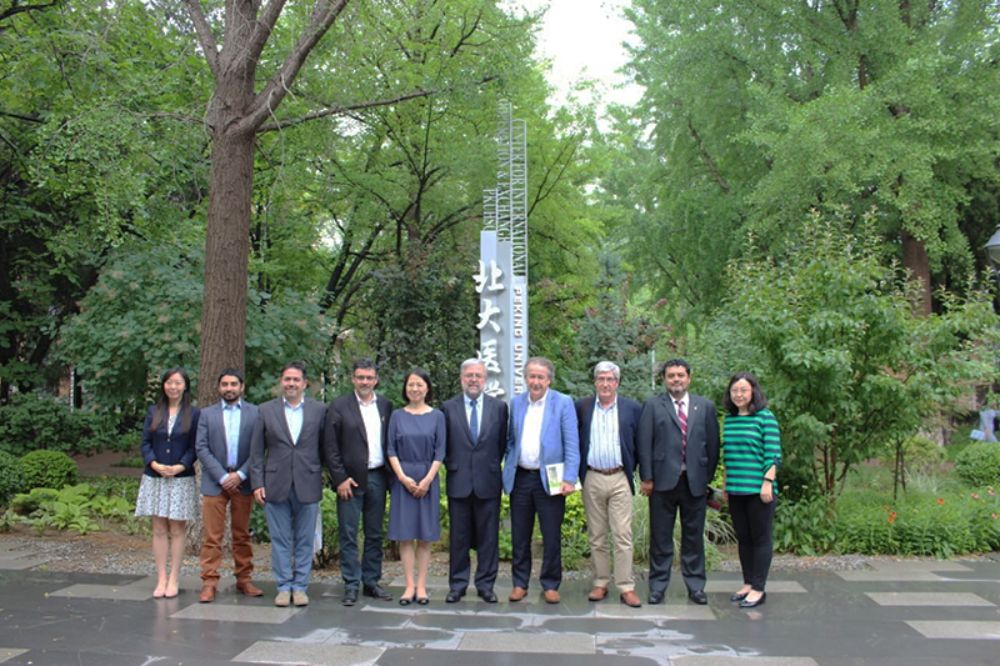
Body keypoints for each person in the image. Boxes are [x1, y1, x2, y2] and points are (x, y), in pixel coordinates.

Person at [637, 358, 719, 605]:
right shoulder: (653, 405)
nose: (676, 379)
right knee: (660, 538)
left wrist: (706, 478)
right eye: (671, 375)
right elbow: (644, 443)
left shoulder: (704, 407)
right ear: (665, 379)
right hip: (662, 483)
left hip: (694, 483)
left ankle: (695, 587)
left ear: (689, 378)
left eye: (680, 375)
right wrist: (647, 477)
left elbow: (713, 446)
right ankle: (658, 586)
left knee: (693, 538)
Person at [249, 361, 330, 607]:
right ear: (281, 383)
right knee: (281, 539)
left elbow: (326, 448)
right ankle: (284, 587)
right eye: (287, 379)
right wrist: (257, 483)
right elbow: (256, 452)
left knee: (305, 539)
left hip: (308, 482)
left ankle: (300, 587)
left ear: (305, 383)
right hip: (275, 483)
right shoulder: (265, 410)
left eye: (296, 380)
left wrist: (326, 477)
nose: (291, 384)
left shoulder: (320, 410)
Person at [503, 357, 580, 604]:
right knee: (520, 534)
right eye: (532, 376)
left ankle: (550, 583)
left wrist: (569, 478)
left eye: (540, 377)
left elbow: (572, 443)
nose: (535, 381)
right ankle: (519, 583)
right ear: (526, 378)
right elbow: (511, 440)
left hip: (551, 479)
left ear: (549, 380)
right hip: (522, 477)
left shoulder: (563, 403)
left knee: (551, 534)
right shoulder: (516, 403)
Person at [323, 358, 394, 606]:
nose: (365, 382)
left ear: (376, 380)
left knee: (374, 534)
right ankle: (351, 584)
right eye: (360, 377)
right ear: (353, 379)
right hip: (350, 481)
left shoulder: (385, 405)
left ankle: (371, 582)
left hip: (377, 476)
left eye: (369, 377)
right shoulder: (339, 406)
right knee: (349, 534)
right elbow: (330, 447)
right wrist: (339, 478)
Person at [440, 359, 509, 603]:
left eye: (478, 375)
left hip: (488, 481)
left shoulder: (499, 408)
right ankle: (457, 585)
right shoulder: (448, 407)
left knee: (488, 537)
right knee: (458, 537)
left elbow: (501, 444)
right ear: (461, 378)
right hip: (459, 481)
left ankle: (485, 585)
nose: (473, 380)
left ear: (485, 379)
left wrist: (488, 466)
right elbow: (444, 445)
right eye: (469, 375)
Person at [575, 361, 642, 608]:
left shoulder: (631, 408)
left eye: (610, 379)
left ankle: (626, 586)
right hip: (592, 476)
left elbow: (640, 443)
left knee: (622, 535)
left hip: (620, 477)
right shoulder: (582, 407)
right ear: (595, 382)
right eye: (601, 379)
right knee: (597, 535)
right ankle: (600, 582)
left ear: (617, 383)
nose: (605, 384)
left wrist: (643, 475)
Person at [195, 368, 262, 603]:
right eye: (225, 384)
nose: (229, 388)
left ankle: (244, 578)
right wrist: (223, 476)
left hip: (243, 482)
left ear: (242, 387)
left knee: (241, 534)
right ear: (218, 388)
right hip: (215, 482)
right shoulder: (206, 414)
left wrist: (241, 474)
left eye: (234, 384)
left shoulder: (256, 413)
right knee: (212, 536)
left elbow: (259, 448)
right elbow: (201, 447)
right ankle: (209, 581)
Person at [135, 367, 200, 599]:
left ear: (185, 386)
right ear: (164, 385)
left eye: (178, 383)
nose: (173, 387)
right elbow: (145, 443)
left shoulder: (193, 414)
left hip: (181, 478)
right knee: (159, 528)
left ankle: (174, 577)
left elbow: (195, 446)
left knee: (177, 528)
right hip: (155, 477)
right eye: (169, 382)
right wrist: (154, 463)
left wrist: (181, 465)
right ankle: (161, 577)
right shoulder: (154, 411)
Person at [386, 368, 446, 606]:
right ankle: (408, 585)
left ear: (427, 388)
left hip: (427, 478)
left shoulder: (437, 416)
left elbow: (440, 450)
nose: (415, 389)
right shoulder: (397, 416)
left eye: (419, 384)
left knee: (424, 536)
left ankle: (422, 585)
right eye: (411, 384)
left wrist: (428, 479)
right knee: (405, 535)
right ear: (405, 388)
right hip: (403, 479)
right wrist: (402, 477)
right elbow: (390, 448)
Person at [722, 372, 781, 609]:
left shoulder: (765, 418)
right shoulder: (730, 419)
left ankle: (758, 588)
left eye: (743, 390)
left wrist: (767, 482)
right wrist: (726, 485)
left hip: (759, 490)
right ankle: (747, 583)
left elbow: (773, 453)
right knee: (744, 538)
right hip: (736, 489)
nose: (739, 394)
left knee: (760, 538)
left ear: (753, 392)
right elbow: (728, 456)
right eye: (734, 390)